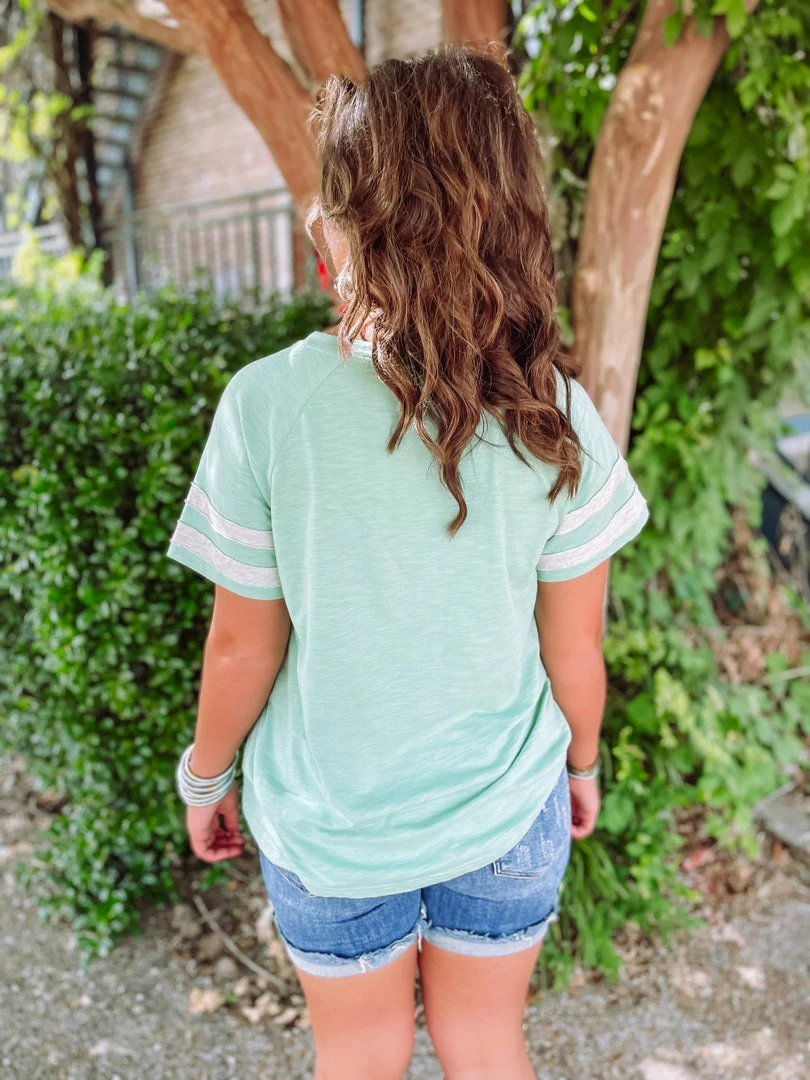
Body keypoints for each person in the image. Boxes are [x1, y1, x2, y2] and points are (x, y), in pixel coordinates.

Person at [168, 42, 649, 1080]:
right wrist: (581, 766)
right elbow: (575, 650)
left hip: (333, 829)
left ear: (340, 225)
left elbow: (242, 647)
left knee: (357, 1058)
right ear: (511, 222)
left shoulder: (268, 407)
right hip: (507, 814)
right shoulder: (554, 416)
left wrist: (205, 776)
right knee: (487, 1044)